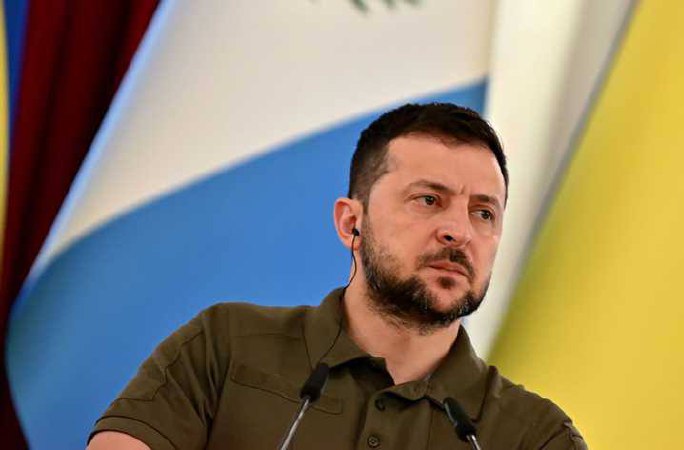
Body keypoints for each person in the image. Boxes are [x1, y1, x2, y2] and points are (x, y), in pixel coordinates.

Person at [87, 103, 587, 449]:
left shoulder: (535, 436)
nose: (459, 231)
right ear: (352, 223)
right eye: (429, 200)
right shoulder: (225, 346)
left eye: (484, 213)